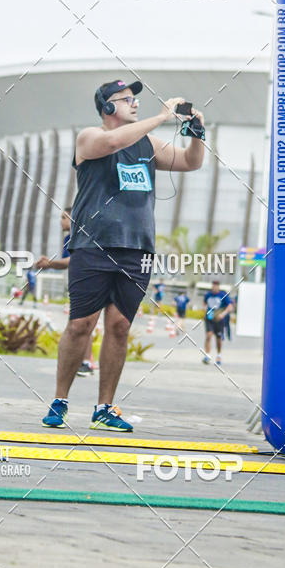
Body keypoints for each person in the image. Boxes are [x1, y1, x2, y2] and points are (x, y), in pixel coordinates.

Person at [42, 78, 205, 432]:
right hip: (93, 245)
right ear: (107, 107)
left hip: (137, 249)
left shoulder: (148, 143)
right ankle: (60, 401)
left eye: (135, 99)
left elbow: (191, 162)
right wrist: (162, 117)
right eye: (126, 99)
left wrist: (197, 133)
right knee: (81, 324)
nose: (135, 103)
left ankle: (104, 408)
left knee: (119, 327)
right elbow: (113, 142)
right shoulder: (90, 137)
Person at [34, 209, 96, 375]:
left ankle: (85, 362)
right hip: (76, 284)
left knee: (82, 322)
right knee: (81, 323)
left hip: (88, 282)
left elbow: (72, 260)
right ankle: (81, 361)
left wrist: (49, 263)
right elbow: (67, 262)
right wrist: (50, 264)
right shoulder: (68, 239)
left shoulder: (80, 236)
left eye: (64, 218)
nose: (61, 221)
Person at [202, 279, 232, 366]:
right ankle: (207, 355)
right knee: (208, 335)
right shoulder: (208, 295)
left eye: (216, 286)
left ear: (218, 287)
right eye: (213, 285)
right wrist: (205, 309)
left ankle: (219, 355)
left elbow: (230, 306)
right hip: (209, 318)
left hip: (219, 320)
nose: (214, 287)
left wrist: (223, 314)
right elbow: (204, 303)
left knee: (218, 338)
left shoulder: (222, 295)